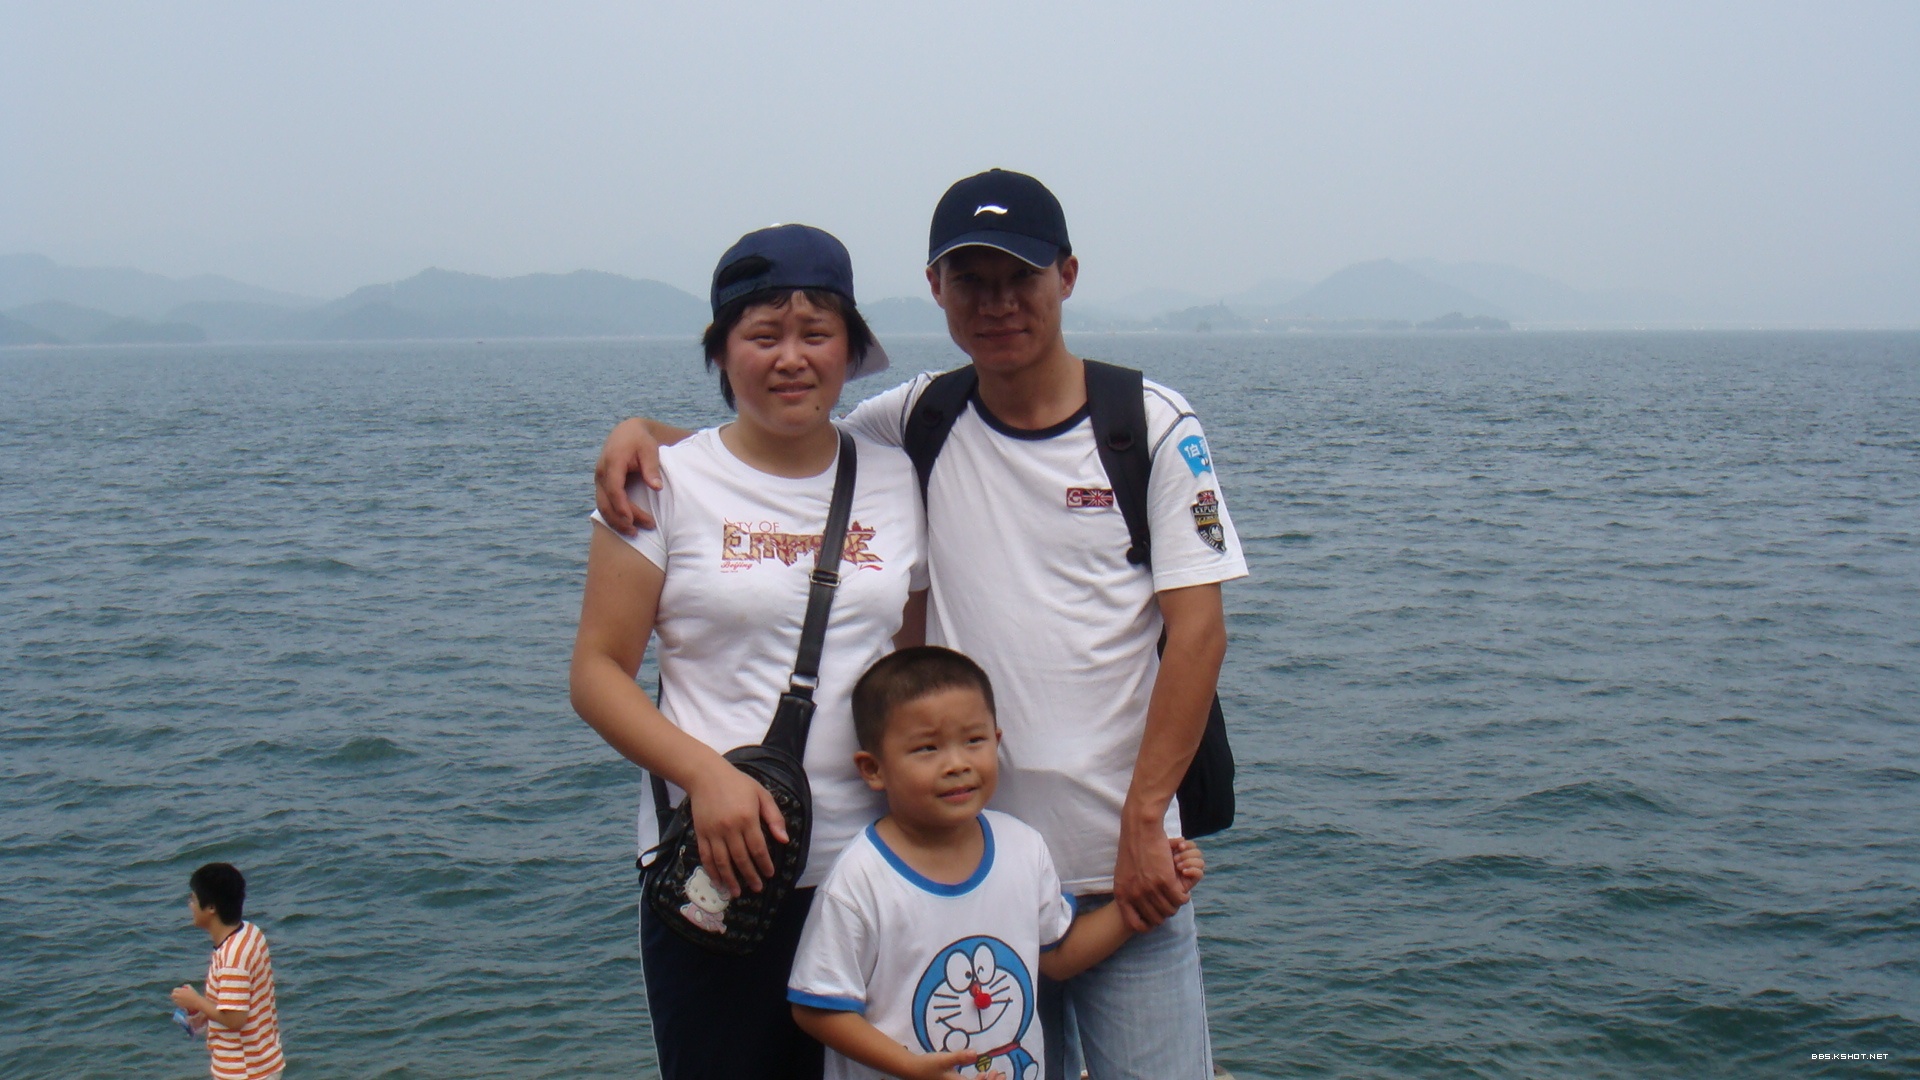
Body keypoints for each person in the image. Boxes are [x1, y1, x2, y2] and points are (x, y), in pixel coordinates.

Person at [595, 170, 1248, 1078]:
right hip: (962, 863)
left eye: (1020, 277)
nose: (998, 303)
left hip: (1121, 858)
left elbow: (1200, 634)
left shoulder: (1145, 424)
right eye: (971, 281)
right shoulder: (917, 421)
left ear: (1067, 275)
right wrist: (644, 432)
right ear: (935, 288)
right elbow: (777, 439)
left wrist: (1145, 819)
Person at [569, 223, 928, 1080]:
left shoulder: (895, 476)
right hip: (720, 871)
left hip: (875, 871)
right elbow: (596, 673)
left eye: (816, 334)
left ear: (851, 350)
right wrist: (706, 776)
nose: (791, 358)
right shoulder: (665, 482)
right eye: (763, 335)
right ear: (722, 353)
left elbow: (909, 671)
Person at [788, 646, 1204, 1080]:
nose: (957, 764)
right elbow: (817, 1007)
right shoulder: (859, 880)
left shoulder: (1022, 848)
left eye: (974, 741)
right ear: (873, 769)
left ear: (997, 741)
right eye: (927, 748)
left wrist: (1143, 902)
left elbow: (1058, 956)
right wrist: (911, 1067)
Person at [170, 862, 285, 1080]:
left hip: (246, 1071)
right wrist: (203, 1015)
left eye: (194, 899)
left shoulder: (232, 956)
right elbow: (240, 1001)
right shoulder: (249, 933)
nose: (190, 905)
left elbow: (235, 1020)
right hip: (262, 1060)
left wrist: (196, 1001)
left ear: (211, 907)